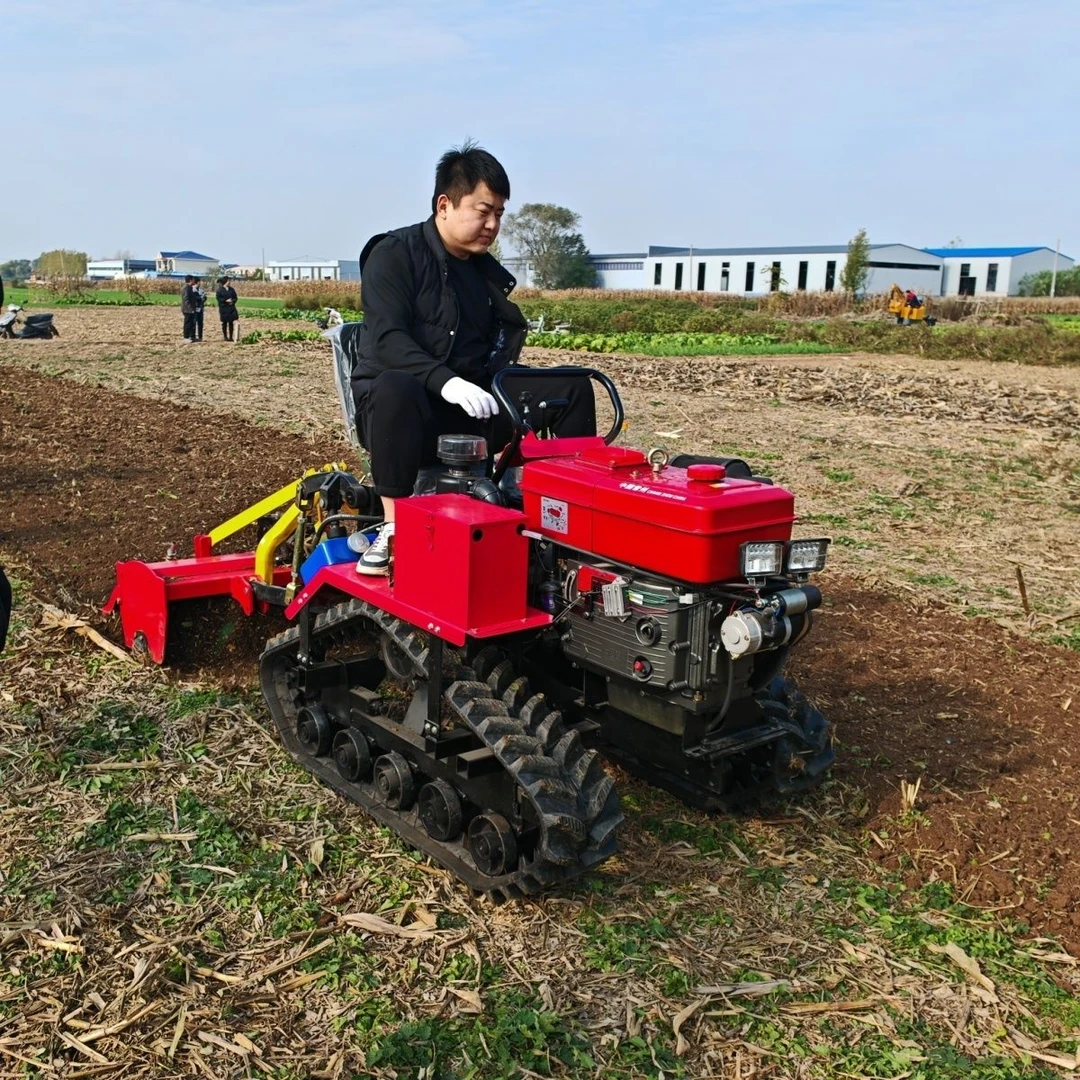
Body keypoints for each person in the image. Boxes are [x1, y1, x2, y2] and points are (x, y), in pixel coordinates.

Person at [349, 141, 595, 576]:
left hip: (474, 404)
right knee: (395, 384)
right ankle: (394, 525)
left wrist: (503, 383)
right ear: (444, 205)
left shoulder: (483, 274)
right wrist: (446, 381)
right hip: (408, 412)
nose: (493, 224)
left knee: (572, 387)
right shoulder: (394, 254)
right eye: (483, 210)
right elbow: (387, 339)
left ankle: (567, 514)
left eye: (499, 213)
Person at [216, 276, 239, 341]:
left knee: (231, 323)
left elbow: (235, 297)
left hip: (231, 308)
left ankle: (231, 336)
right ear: (225, 282)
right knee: (224, 323)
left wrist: (233, 301)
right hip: (224, 308)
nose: (229, 282)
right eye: (228, 281)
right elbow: (218, 298)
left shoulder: (231, 289)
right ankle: (225, 336)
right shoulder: (220, 290)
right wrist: (225, 301)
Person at [180, 275, 198, 342]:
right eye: (193, 280)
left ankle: (191, 337)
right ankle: (186, 337)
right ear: (190, 280)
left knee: (191, 323)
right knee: (187, 323)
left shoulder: (190, 287)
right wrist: (191, 309)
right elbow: (186, 300)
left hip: (191, 309)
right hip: (187, 310)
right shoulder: (186, 288)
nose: (194, 281)